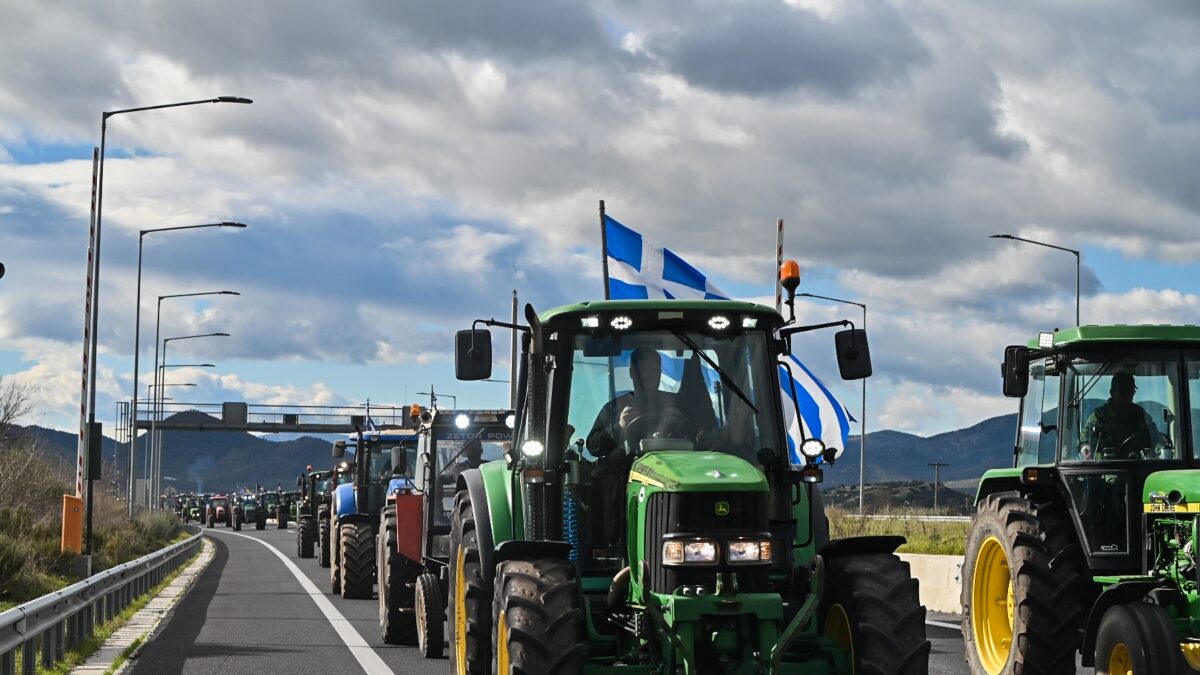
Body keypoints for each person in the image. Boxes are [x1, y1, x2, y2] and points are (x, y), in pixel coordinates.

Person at [586, 348, 686, 458]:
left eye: (653, 369)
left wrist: (680, 422)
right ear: (631, 372)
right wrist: (618, 427)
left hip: (674, 466)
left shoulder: (677, 403)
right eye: (644, 369)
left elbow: (702, 435)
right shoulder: (613, 408)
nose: (650, 375)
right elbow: (592, 447)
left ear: (659, 373)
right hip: (626, 471)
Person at [1079, 371, 1155, 460]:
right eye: (1122, 391)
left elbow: (1154, 436)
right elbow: (1085, 435)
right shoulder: (1100, 415)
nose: (1127, 395)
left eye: (1131, 391)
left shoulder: (1139, 414)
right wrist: (1085, 446)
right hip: (1105, 469)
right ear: (1112, 392)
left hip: (1135, 467)